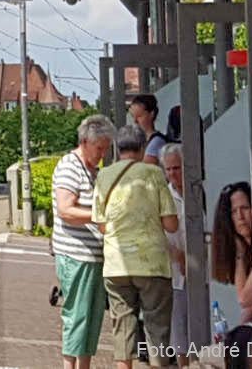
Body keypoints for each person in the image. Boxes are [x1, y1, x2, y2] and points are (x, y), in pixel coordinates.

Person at [93, 123, 179, 369]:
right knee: (156, 328)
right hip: (152, 265)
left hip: (116, 265)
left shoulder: (104, 176)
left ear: (117, 149)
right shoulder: (153, 174)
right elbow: (171, 224)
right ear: (142, 148)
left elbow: (101, 225)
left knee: (122, 327)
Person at [53, 114, 114, 369]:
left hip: (93, 256)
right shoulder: (70, 166)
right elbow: (65, 209)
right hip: (76, 255)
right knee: (77, 316)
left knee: (92, 318)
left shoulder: (93, 170)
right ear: (86, 142)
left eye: (105, 149)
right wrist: (99, 216)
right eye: (99, 148)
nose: (102, 154)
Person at [211, 181, 252, 367]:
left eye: (245, 208)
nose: (240, 217)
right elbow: (247, 309)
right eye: (233, 211)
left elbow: (244, 298)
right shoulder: (246, 250)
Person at [159, 144, 189, 366]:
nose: (172, 174)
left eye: (176, 168)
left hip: (205, 273)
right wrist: (178, 255)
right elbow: (157, 234)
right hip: (176, 274)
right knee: (180, 334)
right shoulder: (163, 196)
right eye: (168, 169)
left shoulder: (201, 191)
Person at [130, 94, 169, 165]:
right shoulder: (139, 141)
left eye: (139, 116)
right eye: (133, 116)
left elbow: (144, 170)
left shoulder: (157, 141)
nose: (135, 121)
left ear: (151, 114)